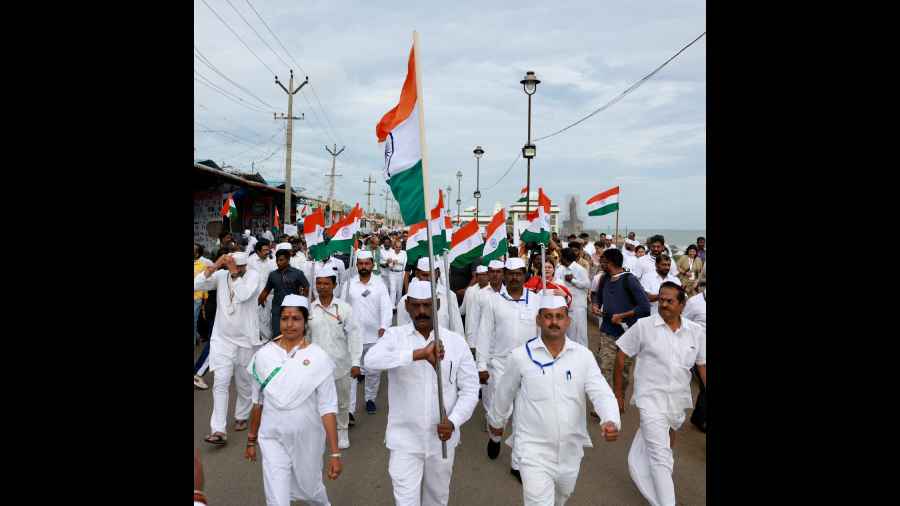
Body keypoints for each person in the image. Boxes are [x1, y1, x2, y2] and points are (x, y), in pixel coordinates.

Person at [488, 295, 621, 506]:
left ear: (568, 321)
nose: (554, 321)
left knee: (561, 498)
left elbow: (601, 392)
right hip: (533, 450)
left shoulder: (582, 356)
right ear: (538, 320)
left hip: (571, 450)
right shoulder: (520, 356)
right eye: (548, 316)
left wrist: (610, 419)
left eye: (559, 316)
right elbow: (504, 393)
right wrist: (496, 423)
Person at [364, 280, 479, 506]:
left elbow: (470, 388)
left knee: (437, 499)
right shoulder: (394, 337)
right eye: (416, 306)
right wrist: (417, 354)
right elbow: (370, 361)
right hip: (404, 440)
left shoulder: (456, 342)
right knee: (405, 501)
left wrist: (454, 421)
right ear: (407, 306)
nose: (422, 311)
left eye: (427, 305)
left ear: (436, 304)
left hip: (442, 439)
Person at [244, 294, 342, 506]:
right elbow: (257, 402)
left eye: (296, 318)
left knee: (311, 490)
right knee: (277, 500)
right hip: (271, 438)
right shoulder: (263, 356)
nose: (289, 324)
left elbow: (327, 407)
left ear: (305, 322)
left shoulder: (319, 358)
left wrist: (335, 453)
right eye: (285, 318)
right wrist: (251, 439)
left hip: (307, 438)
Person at [614, 282, 706, 506]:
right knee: (659, 455)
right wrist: (618, 393)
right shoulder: (644, 326)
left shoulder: (696, 332)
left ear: (682, 305)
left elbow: (702, 364)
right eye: (661, 300)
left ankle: (659, 480)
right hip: (649, 399)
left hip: (677, 401)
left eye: (669, 301)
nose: (663, 304)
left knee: (665, 448)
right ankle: (666, 501)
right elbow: (621, 354)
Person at [476, 257, 542, 477]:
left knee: (523, 417)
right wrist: (481, 365)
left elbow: (543, 334)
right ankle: (495, 437)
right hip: (500, 365)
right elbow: (484, 334)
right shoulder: (493, 301)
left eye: (518, 273)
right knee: (499, 412)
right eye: (510, 273)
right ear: (504, 275)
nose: (514, 277)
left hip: (529, 365)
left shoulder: (535, 301)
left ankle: (518, 464)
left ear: (525, 275)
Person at [194, 252, 263, 445]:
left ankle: (241, 414)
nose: (237, 270)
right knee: (220, 382)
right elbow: (197, 284)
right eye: (234, 267)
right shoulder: (221, 276)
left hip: (246, 341)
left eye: (240, 268)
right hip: (222, 340)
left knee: (244, 383)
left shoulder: (253, 276)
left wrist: (234, 274)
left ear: (245, 267)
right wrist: (215, 266)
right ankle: (218, 429)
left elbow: (243, 295)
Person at [308, 269, 362, 450]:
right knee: (319, 402)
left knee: (342, 401)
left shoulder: (344, 308)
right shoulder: (310, 310)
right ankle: (322, 432)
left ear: (334, 286)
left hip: (341, 365)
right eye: (319, 283)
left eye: (326, 284)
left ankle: (342, 431)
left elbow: (354, 336)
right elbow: (305, 338)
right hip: (316, 368)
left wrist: (355, 362)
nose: (321, 287)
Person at [589, 249, 651, 395]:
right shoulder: (604, 278)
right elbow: (597, 295)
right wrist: (596, 305)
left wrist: (622, 315)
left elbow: (645, 307)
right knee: (605, 367)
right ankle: (605, 404)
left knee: (623, 371)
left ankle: (619, 398)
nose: (600, 263)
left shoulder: (630, 280)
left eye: (602, 261)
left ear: (609, 262)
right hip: (607, 332)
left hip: (627, 334)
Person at [343, 250, 393, 416]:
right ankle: (350, 410)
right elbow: (342, 307)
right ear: (356, 265)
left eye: (367, 263)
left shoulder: (379, 284)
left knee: (372, 370)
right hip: (353, 335)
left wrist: (384, 326)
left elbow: (386, 307)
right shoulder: (349, 284)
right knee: (352, 372)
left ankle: (370, 398)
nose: (364, 266)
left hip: (374, 336)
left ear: (372, 264)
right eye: (361, 263)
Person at [396, 257, 464, 335]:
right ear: (417, 274)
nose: (429, 279)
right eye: (424, 275)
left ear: (437, 274)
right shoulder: (405, 300)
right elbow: (401, 332)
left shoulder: (449, 296)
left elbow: (458, 329)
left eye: (432, 275)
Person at [259, 246, 310, 339]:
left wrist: (302, 301)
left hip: (293, 310)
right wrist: (259, 302)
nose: (278, 263)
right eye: (277, 260)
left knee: (293, 336)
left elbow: (306, 287)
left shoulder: (297, 273)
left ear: (288, 259)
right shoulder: (273, 275)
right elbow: (266, 290)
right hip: (277, 311)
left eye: (281, 260)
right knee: (278, 336)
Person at [554, 248, 591, 348]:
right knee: (568, 333)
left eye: (561, 257)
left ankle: (582, 357)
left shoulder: (580, 269)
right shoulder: (560, 269)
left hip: (578, 307)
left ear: (565, 258)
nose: (560, 259)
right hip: (565, 306)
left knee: (580, 334)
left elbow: (587, 284)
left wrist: (573, 281)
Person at [461, 265, 490, 350]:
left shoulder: (492, 291)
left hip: (486, 335)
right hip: (470, 334)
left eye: (484, 275)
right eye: (479, 275)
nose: (482, 277)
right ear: (476, 277)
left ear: (488, 276)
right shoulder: (470, 291)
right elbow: (462, 310)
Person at [194, 244, 213, 347]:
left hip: (197, 298)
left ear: (197, 253)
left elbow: (206, 281)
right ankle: (197, 336)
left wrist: (205, 297)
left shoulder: (203, 265)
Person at [385, 237, 408, 306]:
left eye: (399, 247)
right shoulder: (390, 253)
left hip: (400, 273)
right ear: (394, 246)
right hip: (392, 273)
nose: (398, 248)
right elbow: (390, 265)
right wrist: (392, 263)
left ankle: (398, 305)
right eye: (396, 247)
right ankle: (392, 306)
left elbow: (404, 263)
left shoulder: (404, 253)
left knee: (399, 290)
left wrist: (397, 261)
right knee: (392, 290)